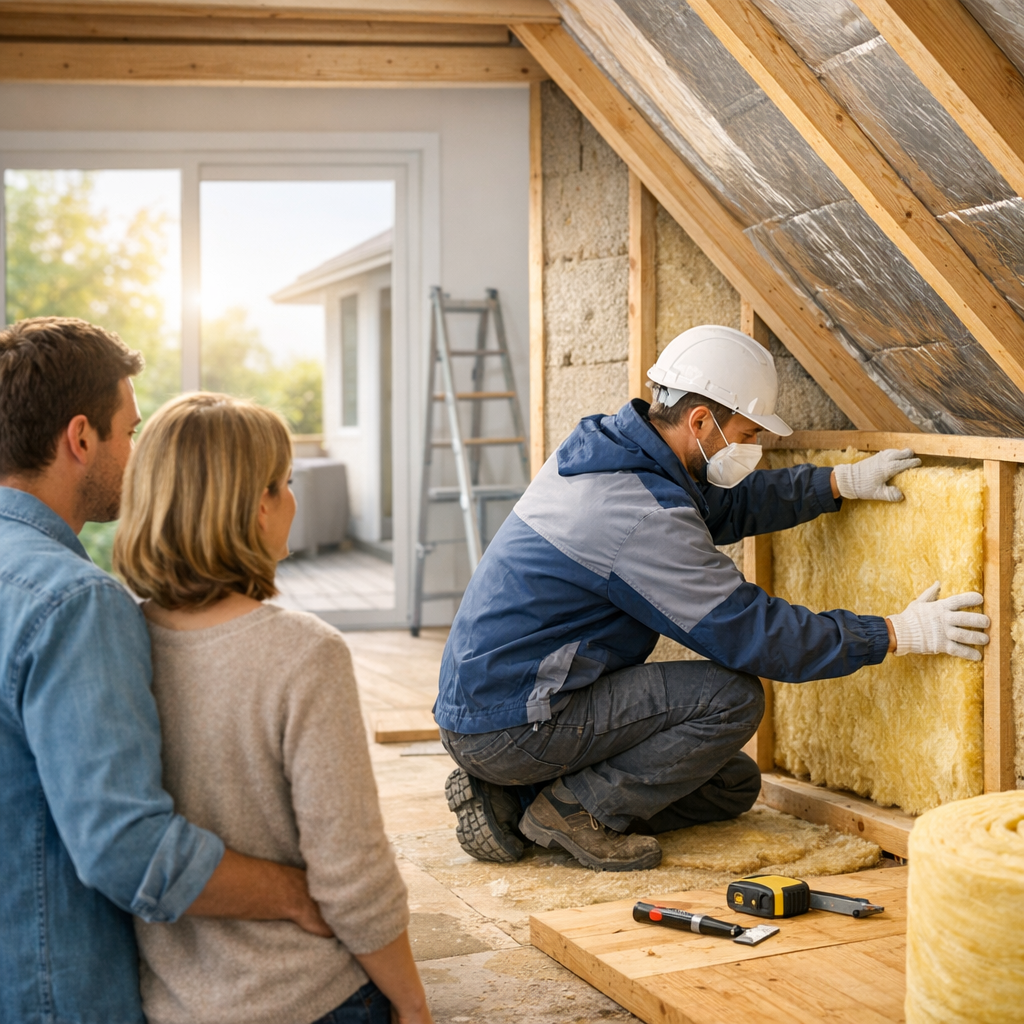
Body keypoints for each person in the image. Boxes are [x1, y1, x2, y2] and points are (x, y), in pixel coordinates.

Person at [435, 324, 990, 872]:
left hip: (495, 706)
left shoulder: (613, 455)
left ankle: (512, 801)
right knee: (730, 698)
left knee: (729, 786)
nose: (753, 448)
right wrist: (895, 632)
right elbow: (753, 634)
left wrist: (835, 482)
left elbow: (715, 507)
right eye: (748, 435)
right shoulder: (638, 515)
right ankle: (572, 808)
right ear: (701, 421)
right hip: (513, 722)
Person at [0, 318, 331, 1024]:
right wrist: (300, 895)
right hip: (53, 989)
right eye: (130, 431)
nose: (137, 452)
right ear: (81, 438)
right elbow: (125, 847)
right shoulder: (73, 601)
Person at [113, 392, 432, 1024]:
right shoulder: (305, 654)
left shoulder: (116, 642)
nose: (292, 500)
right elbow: (352, 875)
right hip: (309, 997)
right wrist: (413, 1000)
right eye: (284, 484)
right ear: (257, 505)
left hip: (174, 1005)